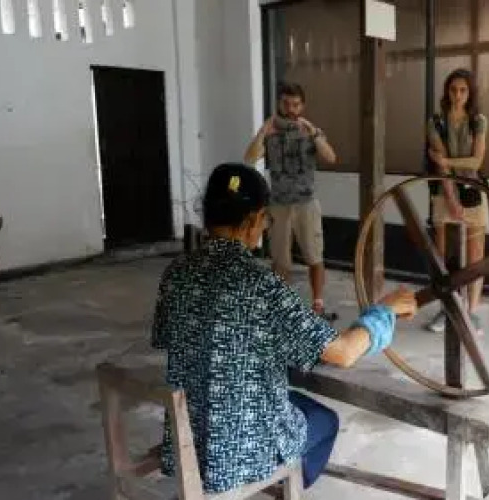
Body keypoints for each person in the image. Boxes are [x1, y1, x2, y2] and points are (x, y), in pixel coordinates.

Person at [150, 163, 417, 494]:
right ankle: (279, 485)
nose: (264, 227)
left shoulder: (177, 272)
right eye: (265, 219)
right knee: (325, 421)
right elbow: (343, 353)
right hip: (241, 448)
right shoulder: (259, 283)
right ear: (253, 220)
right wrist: (384, 311)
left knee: (290, 400)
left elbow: (168, 337)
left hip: (189, 432)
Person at [244, 82, 338, 319]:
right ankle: (281, 308)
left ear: (302, 106)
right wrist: (263, 132)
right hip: (279, 204)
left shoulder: (311, 130)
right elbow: (249, 158)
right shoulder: (270, 132)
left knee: (314, 256)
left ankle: (318, 306)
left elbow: (330, 157)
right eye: (286, 103)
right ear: (279, 103)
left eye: (295, 104)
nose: (291, 109)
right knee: (280, 260)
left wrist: (314, 134)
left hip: (306, 203)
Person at [423, 68, 489, 335]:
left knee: (476, 256)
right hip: (444, 192)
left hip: (473, 190)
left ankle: (470, 312)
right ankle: (447, 308)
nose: (458, 95)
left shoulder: (478, 121)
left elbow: (476, 161)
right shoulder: (436, 121)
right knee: (445, 256)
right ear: (447, 91)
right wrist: (452, 198)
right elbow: (439, 165)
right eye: (453, 90)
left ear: (470, 92)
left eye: (463, 90)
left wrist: (448, 161)